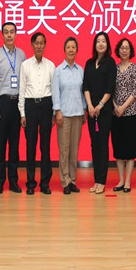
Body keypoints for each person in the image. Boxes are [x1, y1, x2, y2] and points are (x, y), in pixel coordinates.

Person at [0, 22, 26, 194]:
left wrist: (23, 107)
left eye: (12, 32)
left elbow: (24, 81)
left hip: (17, 103)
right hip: (2, 102)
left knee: (15, 145)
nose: (9, 35)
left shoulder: (22, 54)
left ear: (16, 34)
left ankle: (13, 181)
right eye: (6, 32)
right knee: (1, 144)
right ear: (2, 35)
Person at [18, 32, 55, 195]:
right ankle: (31, 183)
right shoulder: (25, 65)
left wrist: (54, 112)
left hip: (46, 105)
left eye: (42, 43)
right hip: (30, 106)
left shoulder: (51, 65)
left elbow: (54, 91)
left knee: (45, 147)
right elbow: (21, 90)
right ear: (32, 45)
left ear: (45, 45)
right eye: (36, 43)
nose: (39, 46)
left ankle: (45, 183)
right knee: (31, 146)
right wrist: (22, 113)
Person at [52, 37, 87, 195]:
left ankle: (73, 180)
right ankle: (65, 181)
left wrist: (84, 109)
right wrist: (57, 111)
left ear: (76, 50)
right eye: (68, 47)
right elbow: (55, 92)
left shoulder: (80, 70)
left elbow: (83, 92)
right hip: (64, 115)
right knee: (64, 150)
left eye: (73, 47)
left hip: (78, 114)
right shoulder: (58, 70)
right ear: (64, 50)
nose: (71, 50)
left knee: (74, 150)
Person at [83, 31, 116, 194]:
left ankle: (102, 181)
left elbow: (110, 87)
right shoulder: (89, 63)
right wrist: (90, 105)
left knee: (102, 145)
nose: (101, 44)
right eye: (98, 41)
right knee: (94, 145)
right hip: (91, 112)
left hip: (105, 111)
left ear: (107, 44)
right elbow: (86, 86)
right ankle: (96, 180)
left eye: (103, 41)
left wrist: (100, 105)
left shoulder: (110, 63)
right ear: (94, 45)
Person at [111, 38, 136, 193]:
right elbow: (110, 90)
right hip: (115, 114)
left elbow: (135, 91)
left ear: (131, 51)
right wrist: (116, 107)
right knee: (118, 149)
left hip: (130, 114)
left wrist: (123, 107)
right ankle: (121, 180)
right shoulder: (114, 69)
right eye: (122, 48)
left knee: (129, 150)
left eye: (127, 48)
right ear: (118, 50)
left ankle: (128, 181)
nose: (124, 50)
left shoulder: (135, 68)